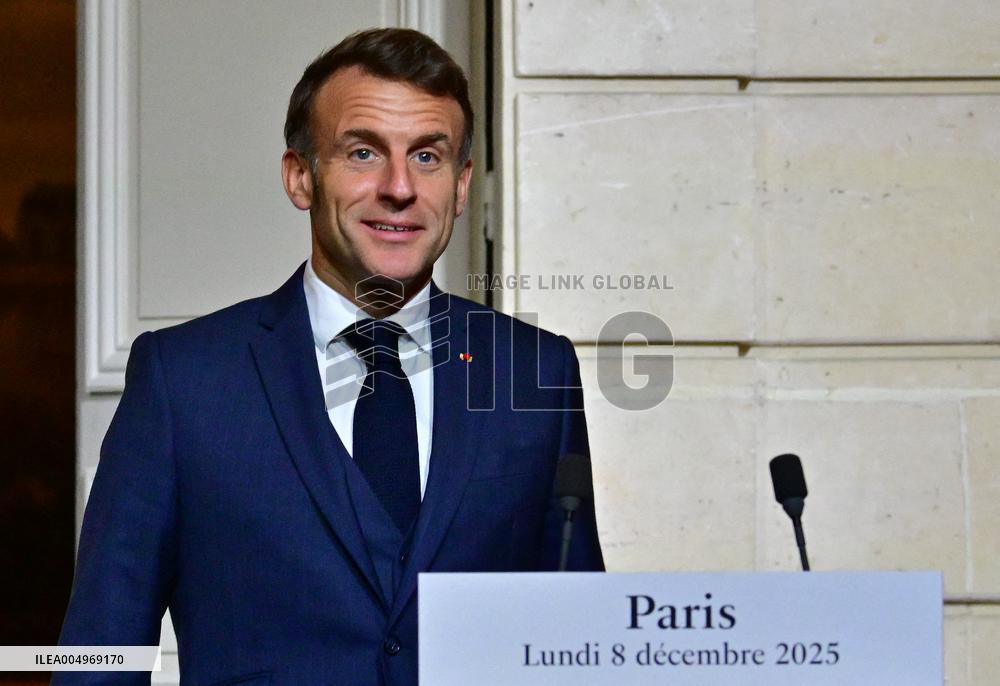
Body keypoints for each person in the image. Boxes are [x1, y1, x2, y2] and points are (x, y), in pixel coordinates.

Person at [55, 28, 603, 685]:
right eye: (364, 151)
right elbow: (99, 652)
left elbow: (579, 644)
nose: (399, 187)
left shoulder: (535, 371)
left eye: (428, 157)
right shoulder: (182, 380)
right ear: (300, 176)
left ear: (461, 188)